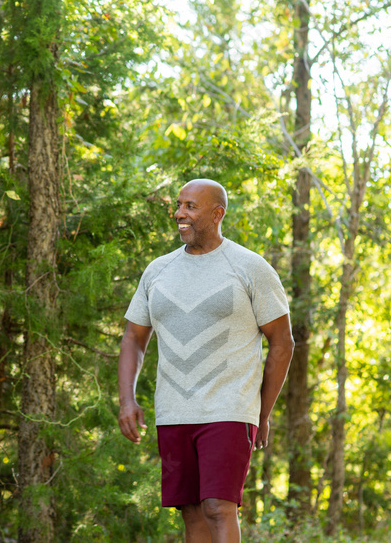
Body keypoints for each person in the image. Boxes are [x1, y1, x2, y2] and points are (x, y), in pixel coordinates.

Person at [117, 179, 294, 543]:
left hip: (229, 408)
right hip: (174, 411)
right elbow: (134, 338)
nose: (180, 213)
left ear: (218, 214)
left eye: (191, 207)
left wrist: (260, 410)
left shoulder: (250, 267)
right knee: (193, 513)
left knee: (217, 507)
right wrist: (127, 400)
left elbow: (282, 342)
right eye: (180, 205)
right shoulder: (157, 271)